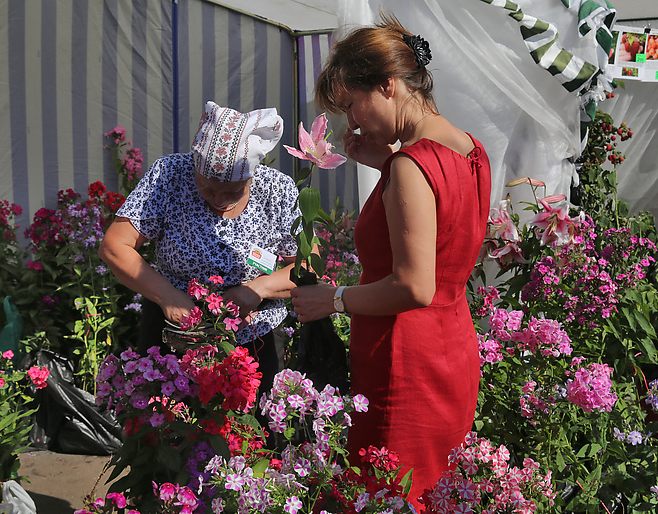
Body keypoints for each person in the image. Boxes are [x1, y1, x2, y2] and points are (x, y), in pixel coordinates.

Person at [289, 14, 491, 510]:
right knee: (437, 490)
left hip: (406, 359)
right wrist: (385, 166)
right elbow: (447, 238)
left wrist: (332, 299)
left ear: (388, 84)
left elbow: (413, 286)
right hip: (453, 347)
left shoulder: (411, 165)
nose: (353, 122)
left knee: (391, 492)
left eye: (354, 105)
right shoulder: (471, 150)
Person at [98, 101, 300, 393]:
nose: (219, 199)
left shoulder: (277, 189)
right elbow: (115, 246)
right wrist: (168, 297)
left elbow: (306, 265)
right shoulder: (169, 176)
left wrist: (259, 290)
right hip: (173, 331)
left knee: (252, 430)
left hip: (254, 335)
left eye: (232, 191)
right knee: (170, 426)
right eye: (207, 188)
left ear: (252, 176)